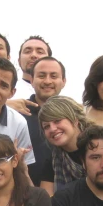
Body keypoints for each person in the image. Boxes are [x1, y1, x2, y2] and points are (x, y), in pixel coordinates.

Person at [21, 57, 67, 186]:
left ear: (63, 81)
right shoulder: (18, 115)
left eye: (53, 76)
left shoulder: (74, 116)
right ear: (31, 80)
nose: (47, 81)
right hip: (25, 194)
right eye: (42, 76)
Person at [12, 35, 52, 101]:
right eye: (27, 51)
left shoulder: (63, 100)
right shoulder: (7, 93)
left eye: (40, 52)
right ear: (19, 61)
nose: (33, 55)